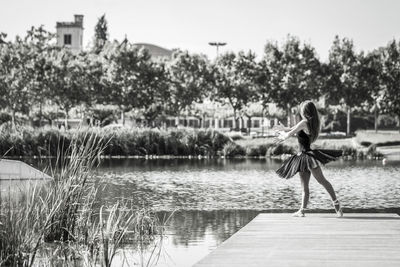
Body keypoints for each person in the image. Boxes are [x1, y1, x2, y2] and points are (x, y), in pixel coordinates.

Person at [274, 100, 343, 217]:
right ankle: (302, 210)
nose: (300, 112)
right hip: (302, 157)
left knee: (322, 181)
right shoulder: (309, 123)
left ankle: (336, 204)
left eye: (301, 110)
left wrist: (281, 135)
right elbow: (293, 128)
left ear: (304, 111)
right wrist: (283, 128)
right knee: (305, 186)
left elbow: (289, 134)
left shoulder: (304, 122)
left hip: (307, 157)